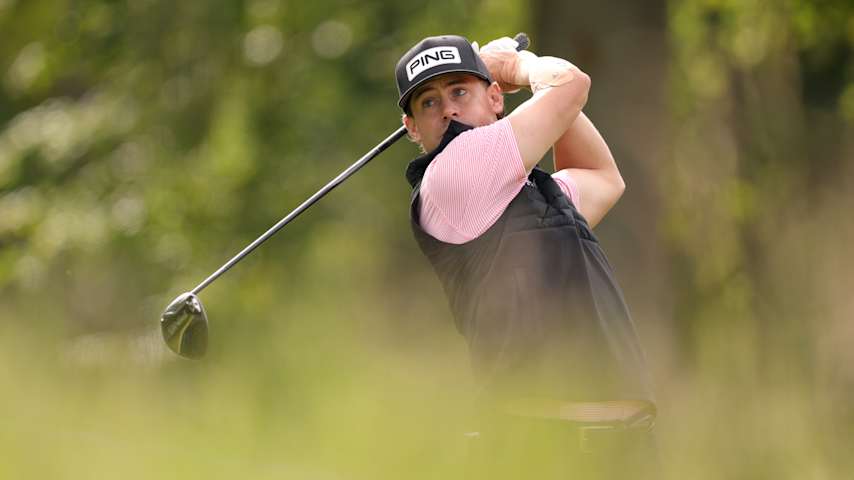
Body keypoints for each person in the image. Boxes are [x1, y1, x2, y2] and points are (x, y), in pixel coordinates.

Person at [396, 34, 659, 478]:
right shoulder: (453, 175)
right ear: (413, 129)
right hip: (541, 448)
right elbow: (571, 85)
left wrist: (532, 84)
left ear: (495, 100)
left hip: (620, 448)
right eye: (428, 103)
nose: (449, 111)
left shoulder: (532, 193)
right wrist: (516, 67)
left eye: (460, 91)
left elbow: (602, 177)